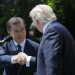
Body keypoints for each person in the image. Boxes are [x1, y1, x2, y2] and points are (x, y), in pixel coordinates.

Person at [29, 4, 75, 75]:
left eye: (33, 21)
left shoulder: (51, 32)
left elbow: (52, 65)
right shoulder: (59, 28)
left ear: (37, 20)